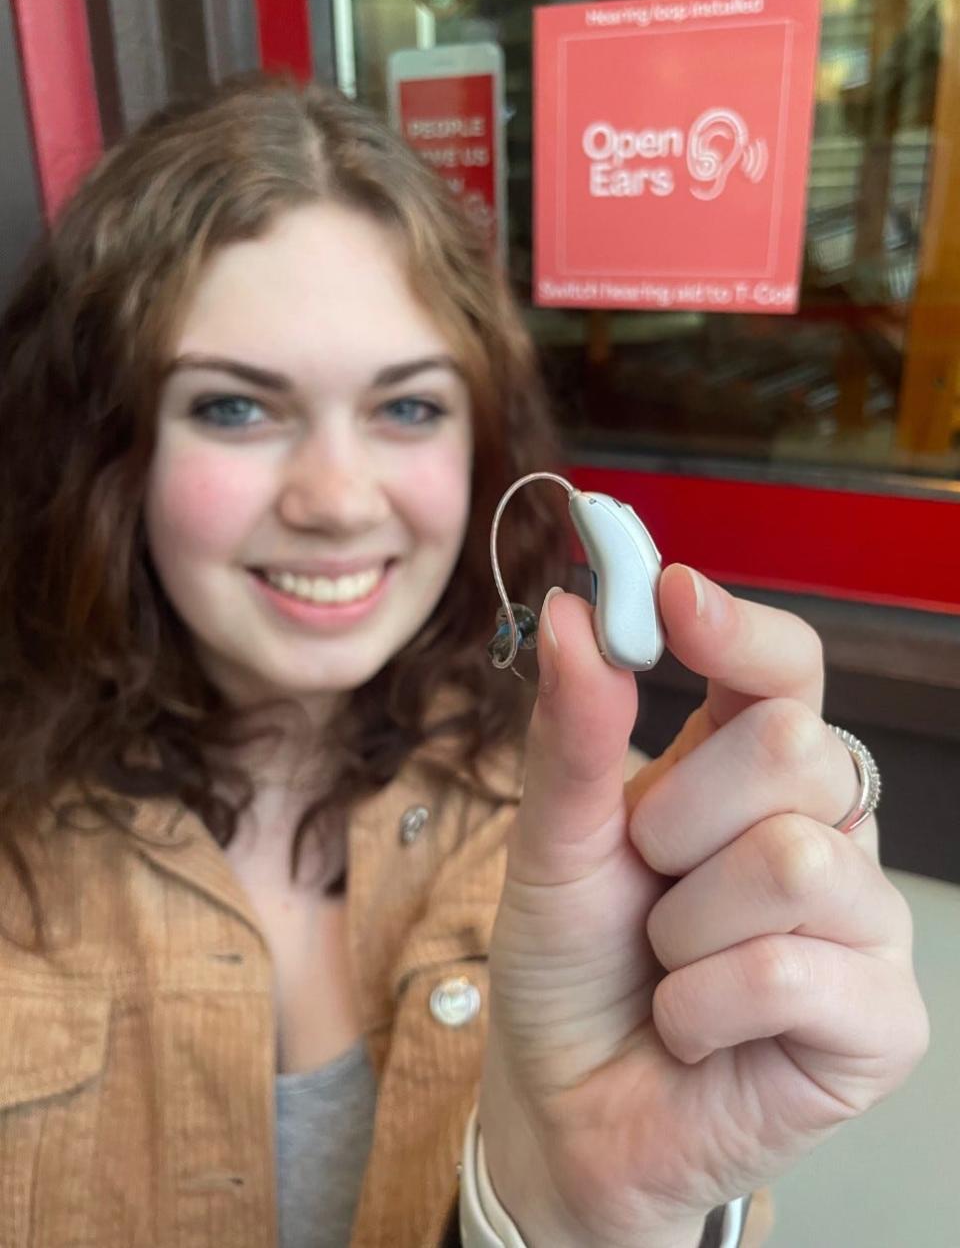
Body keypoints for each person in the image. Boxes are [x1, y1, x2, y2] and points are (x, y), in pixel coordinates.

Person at [0, 73, 927, 1248]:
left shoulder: (607, 837)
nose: (338, 501)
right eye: (236, 408)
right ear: (107, 447)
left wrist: (576, 1216)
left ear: (481, 437)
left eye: (407, 408)